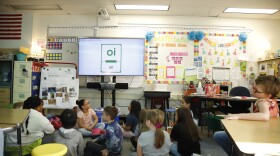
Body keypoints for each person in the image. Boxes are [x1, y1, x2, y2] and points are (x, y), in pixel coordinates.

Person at [214, 75, 280, 156]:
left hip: (259, 138)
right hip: (267, 136)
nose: (253, 91)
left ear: (268, 95)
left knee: (218, 136)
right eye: (253, 87)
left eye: (256, 90)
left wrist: (238, 116)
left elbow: (264, 116)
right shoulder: (274, 102)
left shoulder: (263, 101)